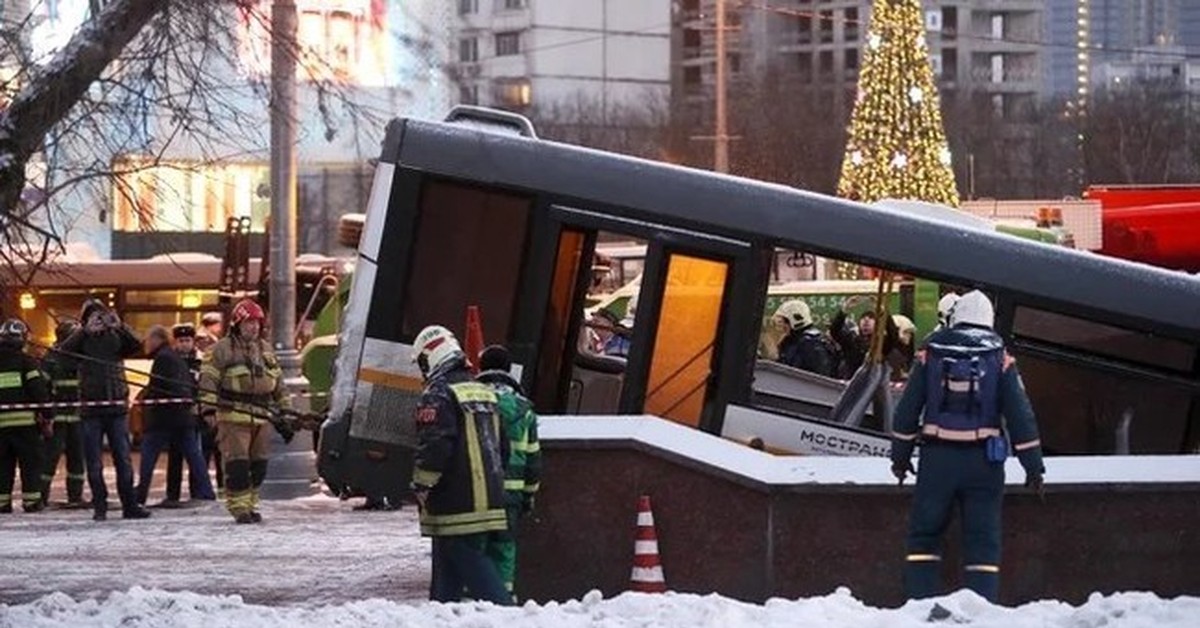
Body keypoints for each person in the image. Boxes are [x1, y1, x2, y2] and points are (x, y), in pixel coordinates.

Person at [890, 290, 1045, 603]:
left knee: (924, 536)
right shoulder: (1000, 357)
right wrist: (1033, 467)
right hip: (984, 464)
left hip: (937, 460)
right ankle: (981, 609)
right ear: (988, 320)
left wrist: (900, 457)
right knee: (983, 540)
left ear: (955, 317)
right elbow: (1020, 416)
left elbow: (907, 411)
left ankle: (920, 607)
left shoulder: (929, 353)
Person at [409, 325, 512, 605]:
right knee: (447, 576)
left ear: (431, 356)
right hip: (488, 499)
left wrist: (421, 485)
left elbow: (434, 447)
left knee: (471, 564)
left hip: (454, 503)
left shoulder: (438, 394)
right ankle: (440, 616)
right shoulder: (484, 391)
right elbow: (503, 448)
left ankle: (511, 617)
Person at [60, 299, 150, 521]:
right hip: (91, 409)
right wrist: (84, 331)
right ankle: (100, 506)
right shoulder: (81, 339)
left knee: (123, 458)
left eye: (101, 315)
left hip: (117, 405)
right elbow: (62, 356)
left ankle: (130, 505)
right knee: (94, 461)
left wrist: (119, 326)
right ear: (84, 320)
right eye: (93, 317)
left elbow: (139, 346)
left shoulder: (116, 336)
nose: (99, 320)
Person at [199, 298, 288, 524]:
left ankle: (251, 504)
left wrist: (285, 411)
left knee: (259, 464)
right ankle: (239, 509)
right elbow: (208, 380)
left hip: (262, 416)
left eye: (257, 323)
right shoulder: (221, 349)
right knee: (237, 464)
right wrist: (208, 411)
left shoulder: (265, 350)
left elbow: (279, 383)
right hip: (233, 417)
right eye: (249, 322)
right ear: (237, 324)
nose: (254, 327)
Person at [476, 345, 542, 599]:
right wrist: (528, 497)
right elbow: (533, 461)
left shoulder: (471, 401)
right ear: (508, 369)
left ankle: (469, 607)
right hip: (511, 497)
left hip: (478, 493)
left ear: (481, 368)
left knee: (476, 550)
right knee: (504, 552)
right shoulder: (524, 409)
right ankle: (502, 605)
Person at [136, 326, 216, 506]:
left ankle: (140, 494)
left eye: (148, 340)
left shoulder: (163, 358)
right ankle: (206, 492)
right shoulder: (171, 357)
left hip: (164, 418)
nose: (146, 344)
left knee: (149, 455)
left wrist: (148, 403)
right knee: (194, 455)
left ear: (156, 340)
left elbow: (157, 387)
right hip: (182, 416)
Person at [0, 319, 52, 513]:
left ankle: (2, 503)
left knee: (2, 466)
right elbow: (38, 391)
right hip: (24, 426)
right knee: (30, 464)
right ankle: (31, 502)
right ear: (22, 339)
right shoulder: (26, 362)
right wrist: (47, 415)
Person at [163, 323, 218, 505]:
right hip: (176, 415)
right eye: (181, 340)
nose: (184, 344)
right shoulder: (171, 362)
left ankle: (198, 492)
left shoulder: (201, 362)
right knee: (175, 456)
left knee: (198, 454)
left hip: (197, 415)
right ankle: (173, 494)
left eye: (187, 340)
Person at [40, 319, 87, 508]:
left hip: (78, 418)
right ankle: (41, 496)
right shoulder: (51, 358)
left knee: (77, 460)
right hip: (56, 418)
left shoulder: (83, 358)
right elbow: (42, 388)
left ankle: (75, 496)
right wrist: (46, 415)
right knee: (49, 460)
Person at [831, 296, 901, 379]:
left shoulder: (881, 342)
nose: (866, 320)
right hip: (852, 381)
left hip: (873, 382)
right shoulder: (851, 340)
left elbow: (893, 335)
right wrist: (845, 310)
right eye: (863, 318)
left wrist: (883, 312)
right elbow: (834, 331)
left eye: (871, 318)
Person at [773, 299, 838, 377]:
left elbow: (820, 377)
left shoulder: (811, 343)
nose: (782, 326)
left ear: (795, 320)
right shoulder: (791, 341)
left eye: (784, 322)